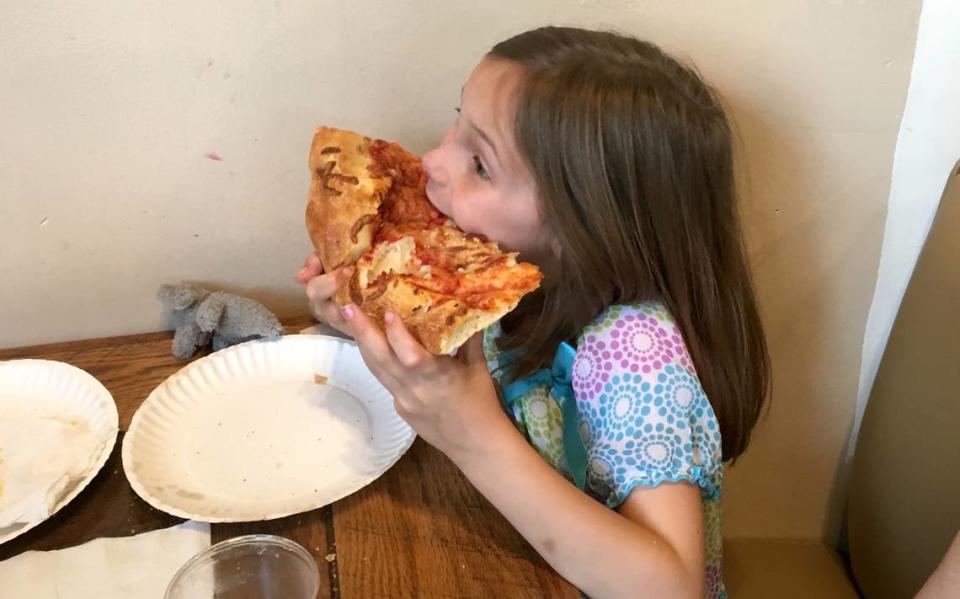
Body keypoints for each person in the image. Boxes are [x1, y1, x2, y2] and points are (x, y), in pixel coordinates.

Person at [296, 26, 769, 598]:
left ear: (584, 228)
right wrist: (363, 315)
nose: (433, 161)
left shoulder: (633, 350)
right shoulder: (496, 280)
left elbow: (671, 588)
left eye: (481, 164)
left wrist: (471, 433)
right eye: (457, 123)